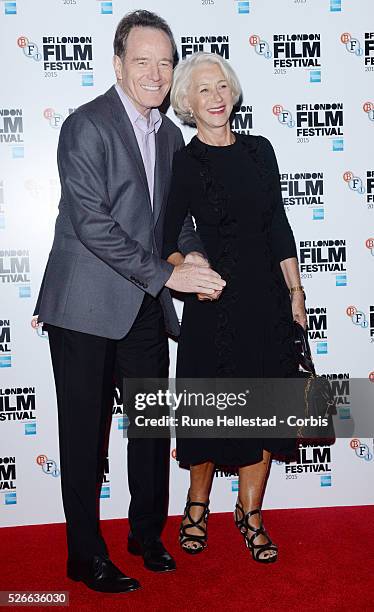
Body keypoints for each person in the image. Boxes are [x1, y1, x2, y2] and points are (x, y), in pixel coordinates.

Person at [32, 14, 225, 594]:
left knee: (147, 428)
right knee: (85, 437)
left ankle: (146, 535)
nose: (155, 72)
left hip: (142, 305)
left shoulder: (169, 136)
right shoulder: (85, 126)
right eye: (142, 60)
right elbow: (93, 225)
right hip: (86, 306)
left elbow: (172, 223)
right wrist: (167, 276)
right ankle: (83, 555)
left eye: (165, 61)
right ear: (118, 64)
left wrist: (191, 261)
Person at [163, 52, 307, 563]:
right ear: (187, 102)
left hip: (266, 303)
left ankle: (250, 515)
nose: (217, 96)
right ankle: (197, 506)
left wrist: (296, 292)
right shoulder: (185, 158)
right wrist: (190, 272)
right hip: (214, 303)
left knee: (265, 412)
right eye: (204, 89)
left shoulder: (260, 150)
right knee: (209, 414)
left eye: (222, 85)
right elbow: (166, 237)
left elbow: (279, 226)